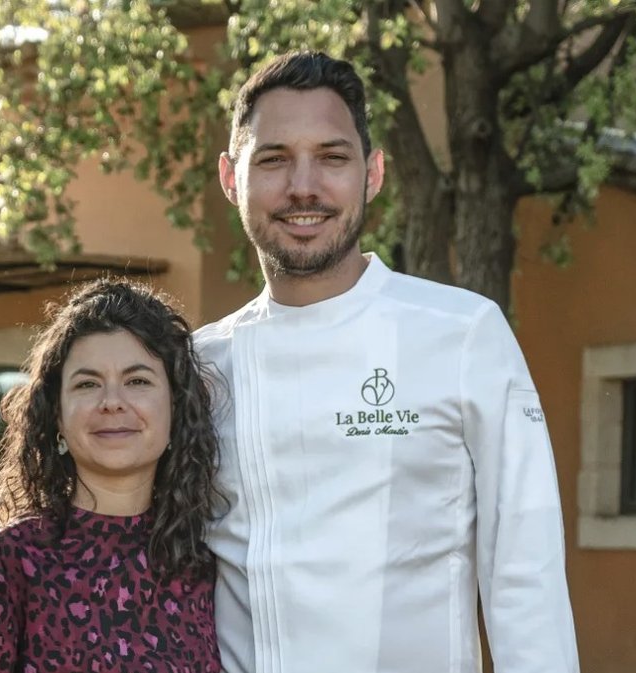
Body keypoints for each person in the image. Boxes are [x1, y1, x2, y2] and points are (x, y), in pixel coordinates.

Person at [194, 51, 580, 673]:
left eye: (332, 157)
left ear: (372, 173)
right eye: (273, 159)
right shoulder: (198, 365)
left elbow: (524, 571)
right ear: (230, 177)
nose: (303, 186)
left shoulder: (462, 333)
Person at [0, 278, 223, 672]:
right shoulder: (4, 562)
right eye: (87, 384)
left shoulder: (203, 566)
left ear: (176, 405)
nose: (112, 403)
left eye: (137, 381)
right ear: (56, 414)